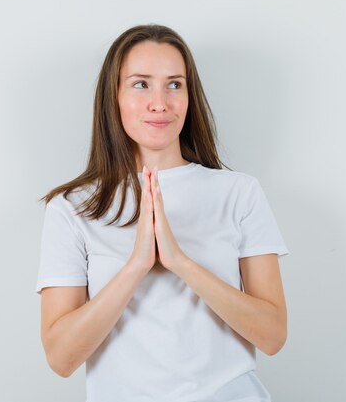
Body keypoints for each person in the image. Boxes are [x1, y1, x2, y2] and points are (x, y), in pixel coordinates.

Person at [36, 24, 289, 402]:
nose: (160, 102)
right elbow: (61, 357)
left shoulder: (239, 193)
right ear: (114, 96)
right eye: (141, 84)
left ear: (189, 96)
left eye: (174, 84)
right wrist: (137, 264)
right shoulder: (72, 208)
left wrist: (181, 263)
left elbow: (272, 336)